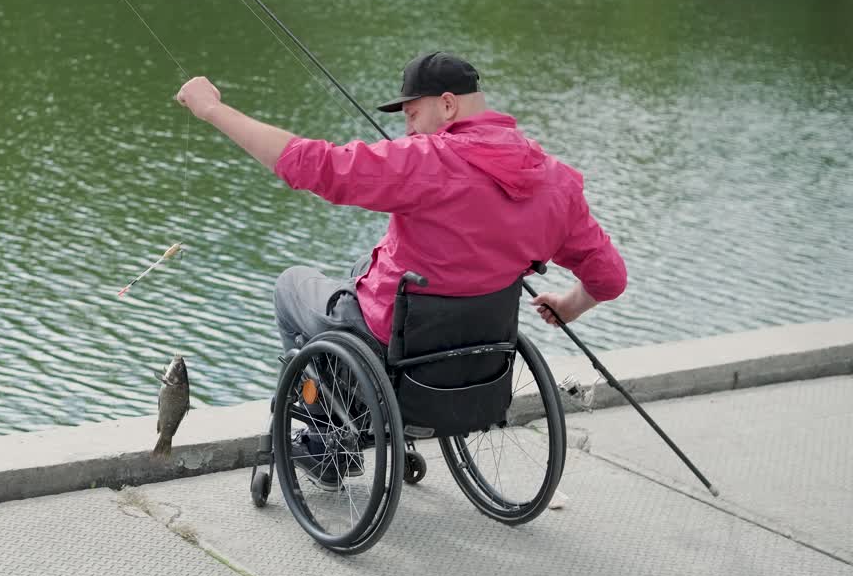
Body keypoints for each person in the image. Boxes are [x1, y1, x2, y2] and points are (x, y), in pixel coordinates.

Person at [175, 51, 627, 488]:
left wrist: (213, 110)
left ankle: (324, 437)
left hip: (396, 338)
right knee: (363, 264)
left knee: (291, 285)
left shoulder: (427, 160)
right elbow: (609, 277)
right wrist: (571, 304)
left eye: (412, 115)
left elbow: (314, 165)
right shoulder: (555, 180)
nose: (407, 129)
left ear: (447, 105)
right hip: (479, 349)